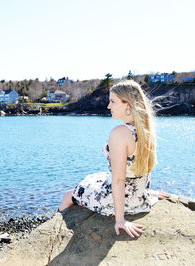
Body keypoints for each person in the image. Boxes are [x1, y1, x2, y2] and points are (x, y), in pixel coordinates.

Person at [58, 80, 169, 238]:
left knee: (68, 196)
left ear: (127, 105)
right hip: (140, 198)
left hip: (123, 200)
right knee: (94, 178)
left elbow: (118, 180)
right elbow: (141, 166)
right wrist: (147, 192)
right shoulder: (144, 129)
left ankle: (58, 231)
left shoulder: (120, 133)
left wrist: (120, 220)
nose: (108, 106)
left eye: (112, 101)